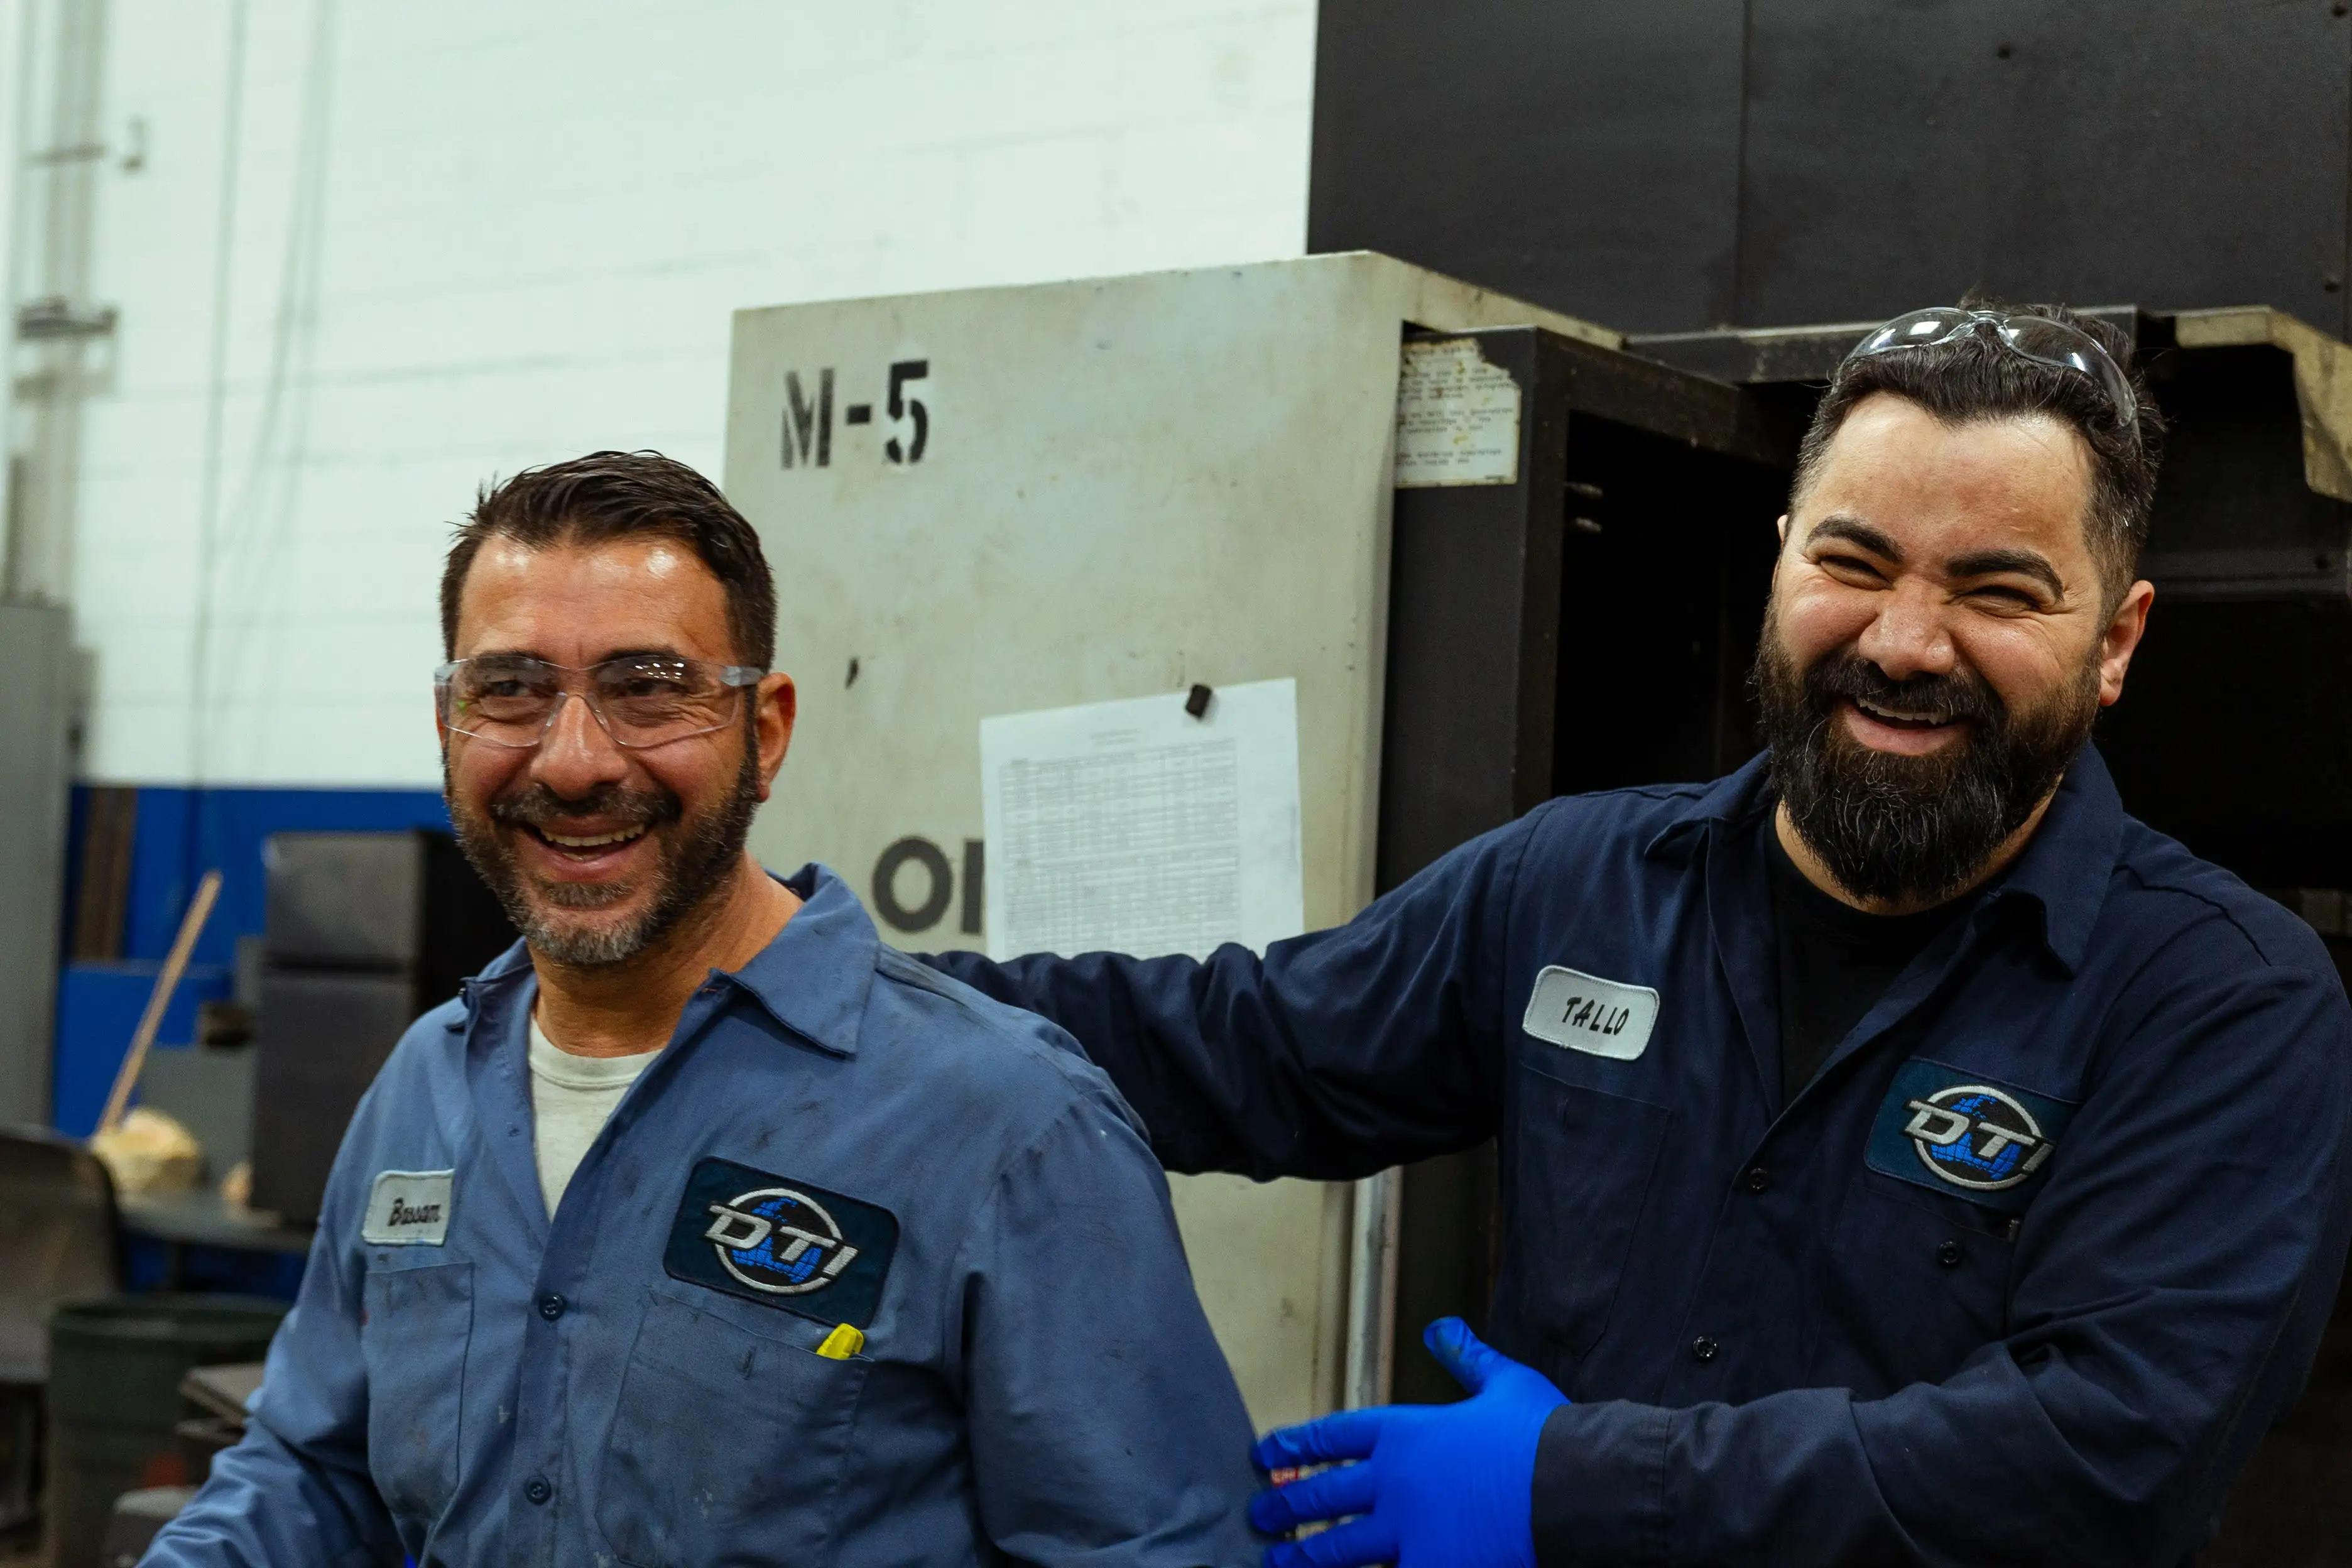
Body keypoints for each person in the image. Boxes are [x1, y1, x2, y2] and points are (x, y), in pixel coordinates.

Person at [927, 305, 2352, 1567]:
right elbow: (1225, 1045)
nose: (1904, 642)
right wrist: (840, 990)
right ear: (1784, 561)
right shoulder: (1573, 886)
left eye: (1997, 592)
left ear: (2116, 641)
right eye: (1854, 560)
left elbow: (2102, 1462)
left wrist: (1569, 1491)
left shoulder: (2222, 1003)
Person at [144, 452, 1261, 1567]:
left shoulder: (1010, 1128)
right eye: (512, 689)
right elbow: (315, 1470)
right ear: (449, 723)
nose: (573, 763)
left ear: (763, 733)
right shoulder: (424, 1088)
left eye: (648, 686)